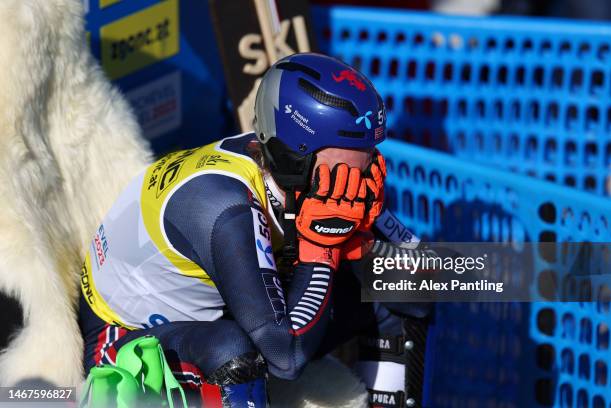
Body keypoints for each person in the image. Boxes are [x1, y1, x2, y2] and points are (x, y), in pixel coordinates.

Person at [78, 52, 401, 407]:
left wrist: (373, 248)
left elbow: (428, 273)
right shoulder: (224, 205)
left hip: (211, 314)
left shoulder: (298, 171)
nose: (365, 176)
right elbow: (285, 357)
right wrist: (322, 248)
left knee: (397, 288)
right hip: (122, 338)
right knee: (234, 351)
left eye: (370, 154)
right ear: (298, 154)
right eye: (349, 162)